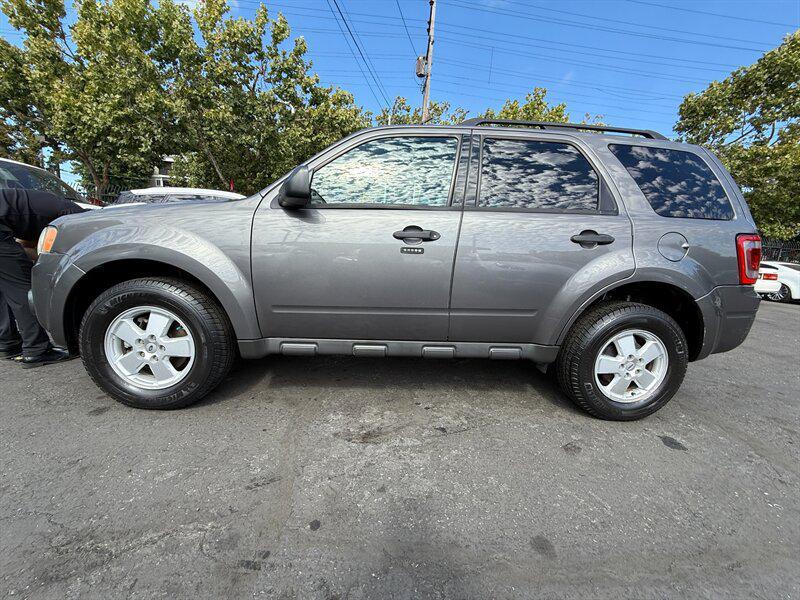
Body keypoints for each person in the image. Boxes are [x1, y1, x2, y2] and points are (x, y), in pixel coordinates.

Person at [0, 188, 86, 367]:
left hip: (4, 224)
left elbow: (30, 246)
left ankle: (7, 343)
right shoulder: (78, 218)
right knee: (21, 289)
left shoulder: (52, 210)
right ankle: (36, 350)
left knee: (5, 287)